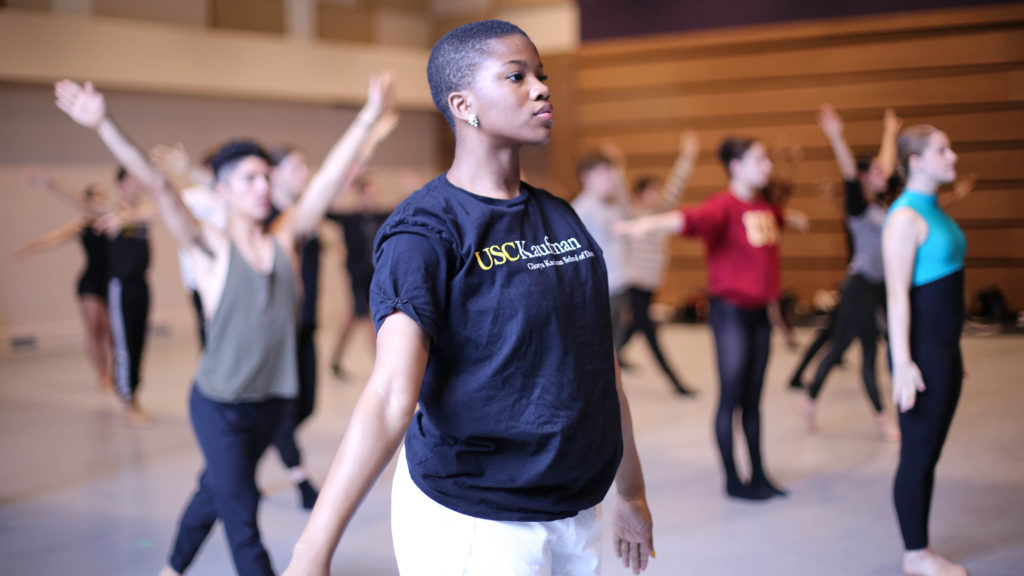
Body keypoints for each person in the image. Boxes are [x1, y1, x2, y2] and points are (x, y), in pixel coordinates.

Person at [284, 20, 654, 576]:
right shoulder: (424, 232)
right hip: (476, 522)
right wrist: (311, 553)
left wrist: (631, 492)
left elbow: (602, 371)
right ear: (464, 104)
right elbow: (389, 396)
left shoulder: (562, 217)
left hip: (574, 507)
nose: (541, 88)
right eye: (516, 76)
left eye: (541, 75)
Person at [54, 75, 394, 576]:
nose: (262, 188)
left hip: (271, 404)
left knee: (214, 490)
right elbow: (157, 186)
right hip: (220, 406)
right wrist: (103, 123)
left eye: (265, 178)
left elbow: (326, 181)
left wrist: (367, 117)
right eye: (248, 180)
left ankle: (171, 568)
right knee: (242, 519)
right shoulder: (209, 246)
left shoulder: (285, 239)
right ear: (222, 189)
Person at [618, 136, 803, 500]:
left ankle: (759, 473)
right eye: (760, 159)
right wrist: (650, 225)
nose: (767, 166)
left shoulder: (764, 208)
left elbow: (781, 218)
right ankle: (734, 480)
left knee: (753, 399)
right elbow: (689, 218)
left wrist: (796, 219)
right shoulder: (723, 206)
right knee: (731, 397)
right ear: (736, 166)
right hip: (730, 313)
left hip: (759, 315)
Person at [883, 125, 969, 576]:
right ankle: (915, 554)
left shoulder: (934, 210)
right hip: (918, 356)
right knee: (917, 452)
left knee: (929, 451)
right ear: (915, 161)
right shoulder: (904, 219)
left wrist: (953, 353)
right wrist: (902, 363)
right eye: (942, 149)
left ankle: (921, 547)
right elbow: (897, 296)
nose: (952, 156)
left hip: (943, 351)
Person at [801, 104, 902, 442]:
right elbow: (848, 171)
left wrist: (889, 132)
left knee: (839, 346)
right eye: (873, 170)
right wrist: (836, 137)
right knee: (867, 352)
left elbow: (886, 167)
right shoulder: (857, 206)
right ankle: (881, 418)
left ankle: (810, 397)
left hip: (881, 286)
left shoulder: (883, 202)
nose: (882, 173)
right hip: (859, 285)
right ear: (863, 178)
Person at [617, 130, 699, 396]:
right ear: (640, 195)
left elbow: (677, 184)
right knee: (650, 332)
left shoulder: (661, 215)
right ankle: (676, 383)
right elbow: (619, 190)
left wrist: (687, 156)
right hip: (635, 283)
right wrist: (617, 165)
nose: (658, 194)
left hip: (651, 284)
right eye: (652, 191)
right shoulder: (633, 213)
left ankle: (616, 355)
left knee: (632, 327)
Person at [18, 174, 113, 391]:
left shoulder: (110, 221)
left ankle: (112, 372)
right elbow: (56, 237)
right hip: (89, 282)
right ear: (87, 199)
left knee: (109, 331)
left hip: (109, 281)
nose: (101, 199)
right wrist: (32, 247)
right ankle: (102, 375)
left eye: (103, 196)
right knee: (94, 330)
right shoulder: (81, 225)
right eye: (97, 196)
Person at [326, 171, 393, 379]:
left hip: (376, 276)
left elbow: (404, 206)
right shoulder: (350, 219)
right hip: (357, 276)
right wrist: (342, 185)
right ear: (360, 195)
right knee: (367, 318)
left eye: (375, 194)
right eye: (368, 194)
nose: (372, 198)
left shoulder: (381, 216)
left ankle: (336, 360)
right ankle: (381, 366)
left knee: (355, 317)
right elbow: (326, 210)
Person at [573, 147, 632, 357]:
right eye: (605, 173)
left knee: (613, 349)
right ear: (587, 176)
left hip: (617, 285)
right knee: (599, 352)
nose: (611, 179)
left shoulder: (611, 207)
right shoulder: (580, 210)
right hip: (599, 290)